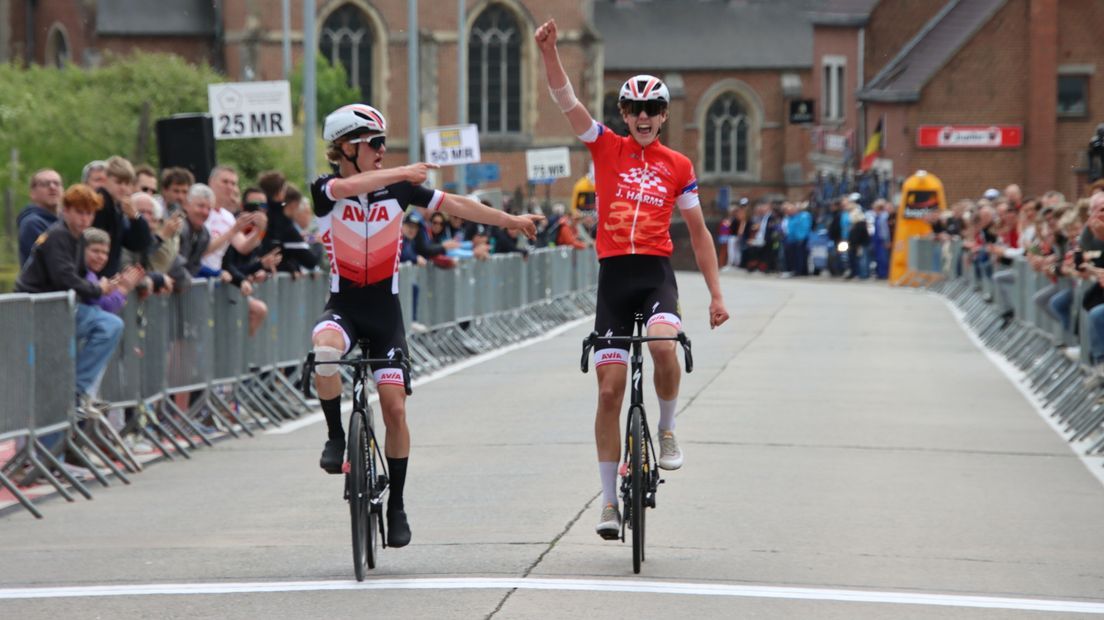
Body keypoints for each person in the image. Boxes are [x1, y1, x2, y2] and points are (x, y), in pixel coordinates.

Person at [309, 102, 542, 548]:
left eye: (384, 143)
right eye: (375, 143)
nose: (383, 150)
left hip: (385, 313)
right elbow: (349, 186)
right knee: (324, 350)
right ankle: (336, 438)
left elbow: (457, 204)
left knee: (395, 409)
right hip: (344, 307)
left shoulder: (398, 190)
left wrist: (510, 220)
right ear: (346, 147)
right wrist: (402, 172)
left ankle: (396, 504)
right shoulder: (325, 190)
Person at [536, 19, 730, 539]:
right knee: (609, 392)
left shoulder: (678, 165)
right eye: (635, 109)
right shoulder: (605, 146)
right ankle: (607, 501)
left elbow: (699, 233)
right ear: (623, 114)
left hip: (655, 274)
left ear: (664, 116)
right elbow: (566, 100)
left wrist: (715, 294)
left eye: (653, 109)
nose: (643, 117)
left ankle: (666, 428)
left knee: (664, 346)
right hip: (614, 280)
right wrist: (550, 52)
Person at [15, 184, 133, 407]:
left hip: (55, 310)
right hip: (39, 312)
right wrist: (98, 289)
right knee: (109, 325)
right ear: (66, 210)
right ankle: (74, 390)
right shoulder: (59, 235)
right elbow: (65, 277)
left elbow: (79, 274)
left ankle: (75, 389)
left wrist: (103, 286)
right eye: (79, 212)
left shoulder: (77, 237)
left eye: (89, 213)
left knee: (109, 324)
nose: (84, 219)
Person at [92, 156, 152, 277]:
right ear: (105, 180)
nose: (123, 188)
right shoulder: (99, 205)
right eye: (118, 182)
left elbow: (138, 243)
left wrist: (135, 217)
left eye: (127, 183)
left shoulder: (118, 208)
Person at [17, 169, 64, 266]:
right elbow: (55, 261)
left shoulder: (68, 221)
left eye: (56, 183)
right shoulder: (32, 223)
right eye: (45, 184)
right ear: (32, 193)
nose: (52, 187)